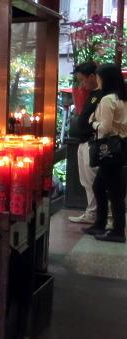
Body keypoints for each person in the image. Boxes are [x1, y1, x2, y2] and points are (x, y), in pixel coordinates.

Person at [83, 63, 127, 243]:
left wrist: (92, 122)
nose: (97, 80)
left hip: (109, 148)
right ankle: (100, 224)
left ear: (106, 79)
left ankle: (117, 231)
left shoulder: (108, 99)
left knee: (113, 191)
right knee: (101, 187)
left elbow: (105, 128)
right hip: (120, 146)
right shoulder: (122, 97)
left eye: (99, 77)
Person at [68, 62, 100, 224]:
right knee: (86, 180)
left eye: (83, 80)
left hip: (92, 141)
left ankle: (96, 213)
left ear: (92, 77)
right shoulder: (91, 94)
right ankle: (92, 212)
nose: (81, 84)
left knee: (92, 179)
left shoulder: (101, 95)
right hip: (83, 141)